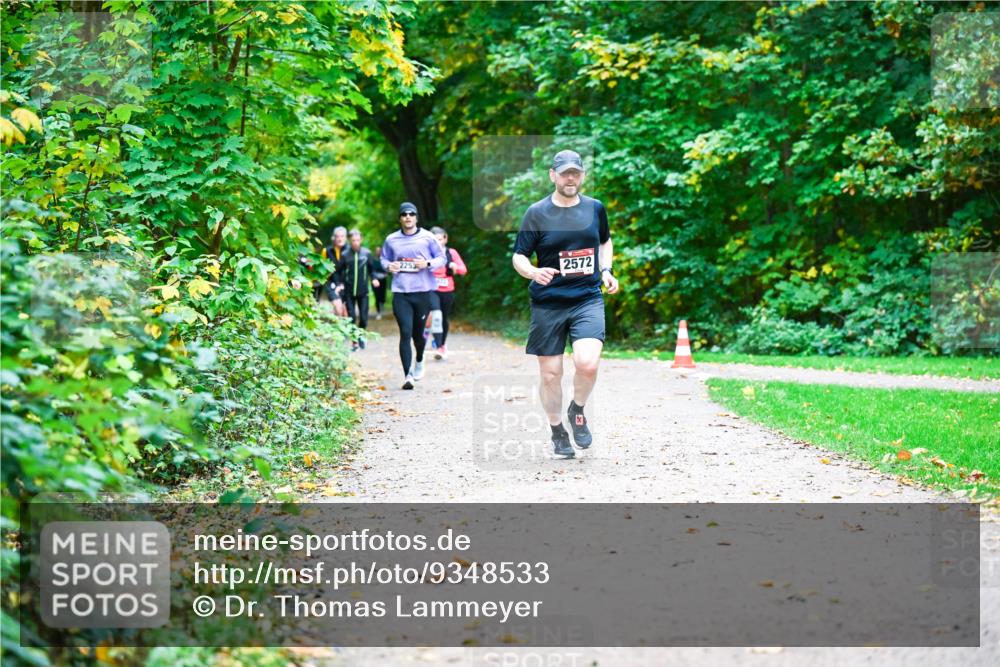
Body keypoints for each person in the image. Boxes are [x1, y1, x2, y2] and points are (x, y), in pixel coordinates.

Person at [511, 150, 619, 459]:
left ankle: (578, 410)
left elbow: (604, 240)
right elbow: (519, 254)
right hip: (549, 303)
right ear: (553, 175)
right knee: (551, 374)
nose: (570, 178)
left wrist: (607, 270)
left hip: (586, 297)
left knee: (587, 363)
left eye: (576, 172)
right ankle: (557, 430)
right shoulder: (536, 212)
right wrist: (532, 271)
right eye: (564, 173)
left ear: (582, 175)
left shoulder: (595, 209)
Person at [381, 202, 446, 390]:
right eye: (404, 214)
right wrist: (388, 266)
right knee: (405, 332)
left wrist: (426, 264)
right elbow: (384, 259)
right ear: (400, 218)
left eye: (411, 214)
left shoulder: (428, 237)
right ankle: (407, 375)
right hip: (401, 292)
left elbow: (441, 258)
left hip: (423, 292)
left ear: (416, 217)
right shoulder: (391, 239)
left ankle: (419, 359)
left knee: (418, 334)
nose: (407, 217)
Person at [336, 229, 380, 351]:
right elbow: (338, 271)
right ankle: (354, 342)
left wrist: (374, 279)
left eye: (357, 240)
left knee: (364, 318)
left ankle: (360, 336)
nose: (355, 242)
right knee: (351, 317)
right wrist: (339, 284)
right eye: (353, 240)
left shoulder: (367, 253)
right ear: (350, 240)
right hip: (349, 292)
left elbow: (372, 270)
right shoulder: (345, 255)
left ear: (361, 240)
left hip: (363, 291)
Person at [428, 226, 467, 360]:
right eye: (434, 240)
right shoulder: (427, 253)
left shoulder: (451, 253)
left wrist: (455, 267)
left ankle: (442, 345)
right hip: (432, 289)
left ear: (445, 239)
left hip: (448, 290)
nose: (438, 242)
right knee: (436, 316)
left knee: (443, 318)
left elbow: (463, 270)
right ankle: (438, 346)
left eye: (440, 239)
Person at [323, 226, 348, 317]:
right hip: (331, 283)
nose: (340, 239)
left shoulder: (350, 251)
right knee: (338, 308)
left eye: (342, 236)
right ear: (334, 238)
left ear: (345, 238)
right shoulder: (326, 251)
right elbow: (322, 269)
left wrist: (342, 285)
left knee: (345, 313)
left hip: (346, 284)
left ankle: (344, 329)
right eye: (337, 236)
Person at [371, 244, 388, 320]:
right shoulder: (372, 260)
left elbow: (387, 270)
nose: (378, 252)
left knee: (382, 295)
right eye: (377, 251)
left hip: (383, 280)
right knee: (377, 296)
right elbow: (371, 270)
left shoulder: (384, 260)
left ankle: (382, 307)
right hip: (375, 280)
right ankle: (378, 311)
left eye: (379, 251)